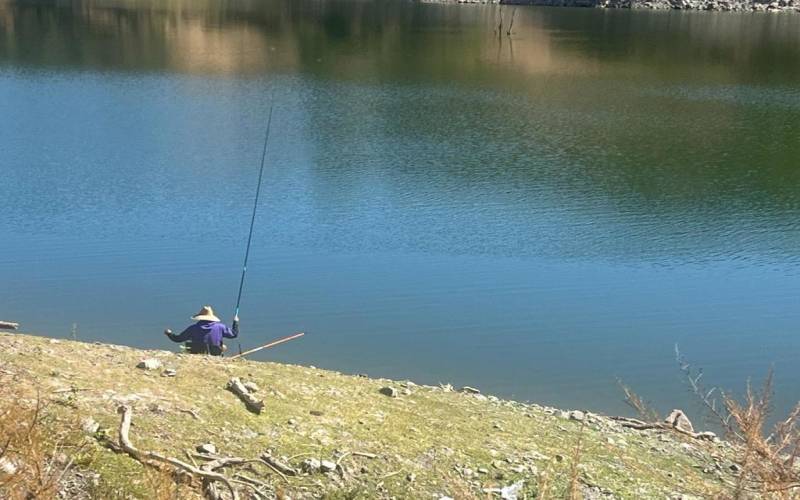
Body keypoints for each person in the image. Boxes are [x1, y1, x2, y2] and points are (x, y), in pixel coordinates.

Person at [164, 305, 239, 356]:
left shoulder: (193, 328)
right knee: (224, 347)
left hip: (196, 351)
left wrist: (169, 333)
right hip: (215, 352)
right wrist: (235, 322)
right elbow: (234, 334)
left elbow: (178, 339)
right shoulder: (220, 327)